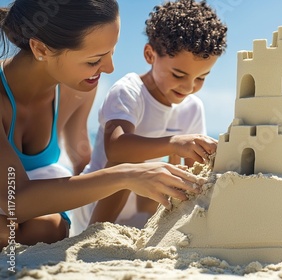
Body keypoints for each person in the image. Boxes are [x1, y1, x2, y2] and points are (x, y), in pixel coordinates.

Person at [0, 0, 210, 248]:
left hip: (34, 193)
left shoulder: (80, 85)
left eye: (112, 51)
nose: (110, 68)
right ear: (41, 49)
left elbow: (80, 153)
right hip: (14, 196)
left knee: (47, 228)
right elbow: (15, 199)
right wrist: (127, 175)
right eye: (94, 60)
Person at [70, 0, 227, 235]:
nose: (189, 86)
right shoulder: (129, 91)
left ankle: (166, 229)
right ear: (150, 55)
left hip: (146, 213)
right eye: (178, 74)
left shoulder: (193, 107)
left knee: (187, 164)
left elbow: (193, 170)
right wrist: (175, 142)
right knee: (133, 159)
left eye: (201, 77)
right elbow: (116, 149)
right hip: (99, 205)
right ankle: (96, 235)